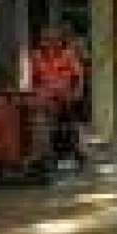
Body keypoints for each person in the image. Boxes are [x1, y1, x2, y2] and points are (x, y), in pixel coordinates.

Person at [30, 27, 85, 164]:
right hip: (46, 97)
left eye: (52, 39)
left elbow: (78, 76)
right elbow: (32, 80)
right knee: (40, 119)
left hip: (65, 96)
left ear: (59, 41)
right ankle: (43, 154)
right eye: (45, 40)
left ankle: (78, 150)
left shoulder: (68, 55)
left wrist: (77, 92)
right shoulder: (36, 56)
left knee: (72, 119)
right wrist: (37, 95)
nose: (49, 43)